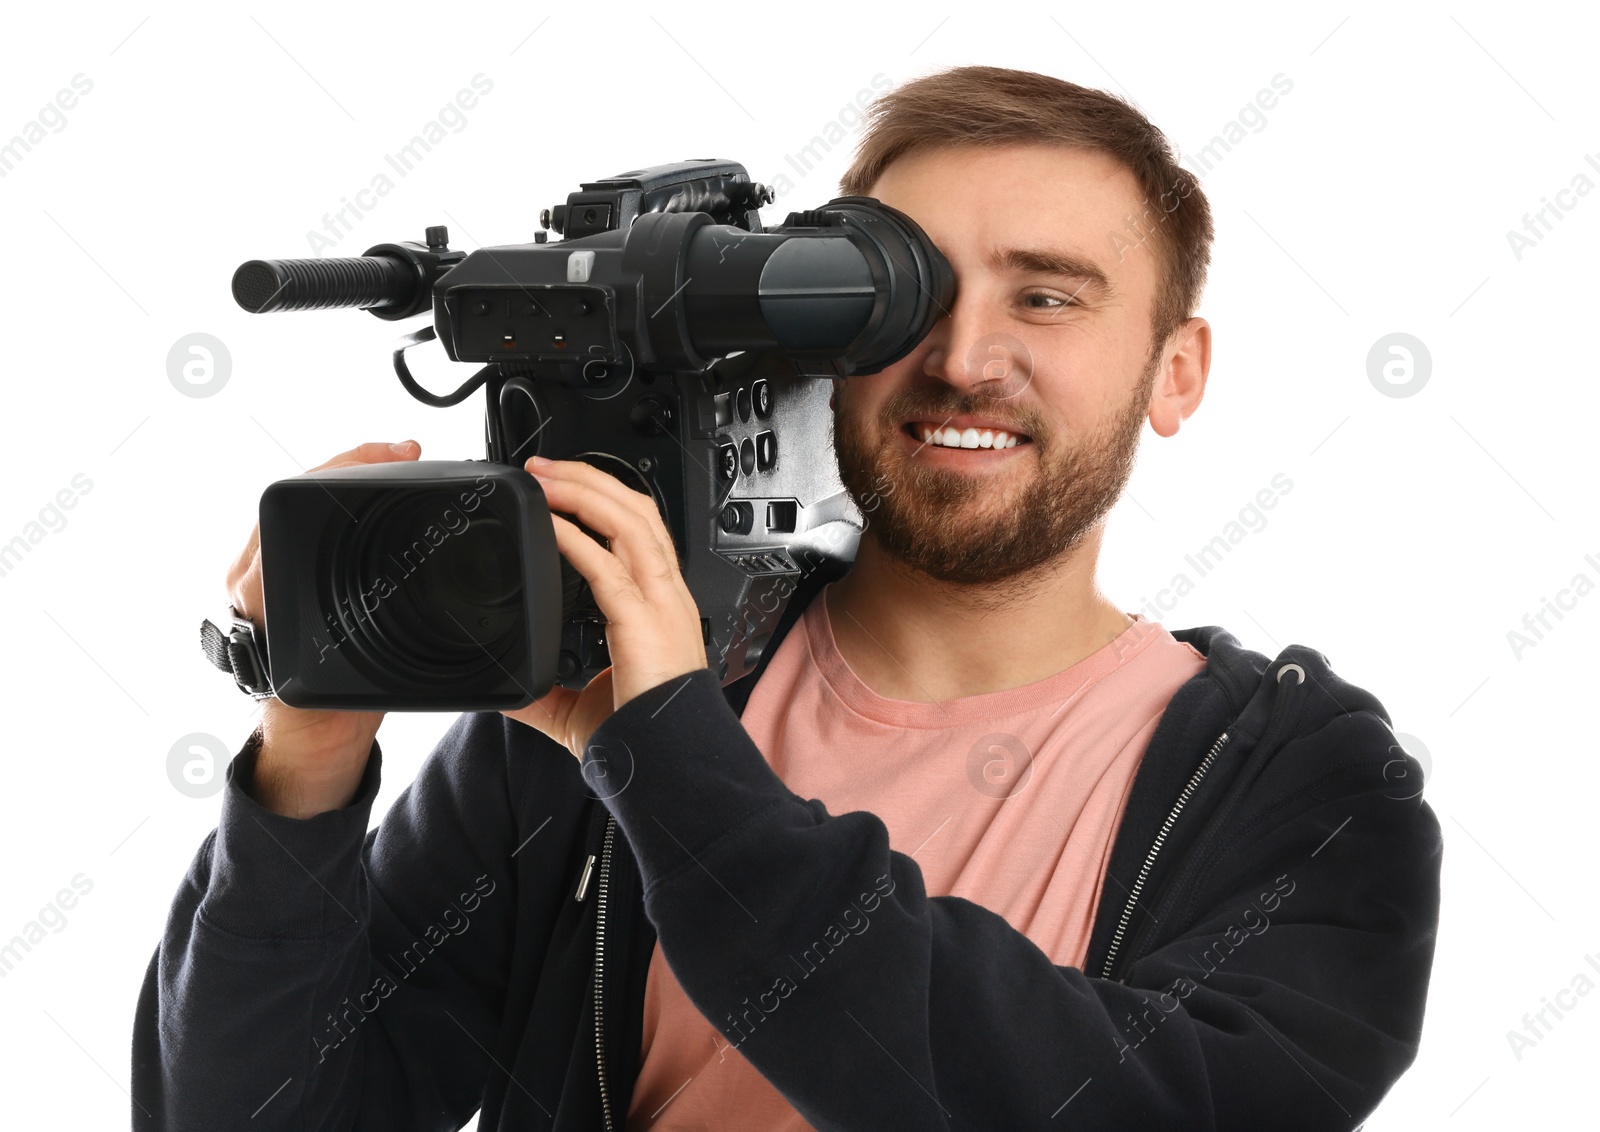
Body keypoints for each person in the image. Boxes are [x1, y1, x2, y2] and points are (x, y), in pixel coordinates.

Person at [132, 65, 1441, 1130]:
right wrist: (304, 771)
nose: (966, 359)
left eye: (1047, 296)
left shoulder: (1310, 793)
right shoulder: (605, 701)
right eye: (904, 296)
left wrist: (661, 762)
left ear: (1176, 370)